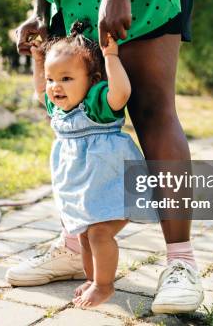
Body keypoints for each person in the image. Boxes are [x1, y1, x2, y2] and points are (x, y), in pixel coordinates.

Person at [7, 0, 203, 314]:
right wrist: (40, 8)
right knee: (72, 105)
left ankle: (181, 263)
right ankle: (74, 245)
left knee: (151, 108)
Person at [30, 20, 141, 306]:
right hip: (84, 191)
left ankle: (104, 285)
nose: (56, 86)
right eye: (53, 78)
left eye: (66, 79)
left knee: (100, 233)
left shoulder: (96, 103)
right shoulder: (59, 107)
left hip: (112, 184)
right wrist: (37, 59)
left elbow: (122, 94)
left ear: (91, 80)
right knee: (84, 235)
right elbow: (40, 90)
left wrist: (111, 57)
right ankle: (92, 279)